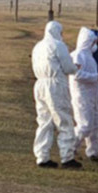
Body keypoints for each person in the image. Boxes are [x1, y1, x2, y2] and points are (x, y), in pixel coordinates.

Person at [32, 20, 80, 169]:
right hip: (55, 84)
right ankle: (67, 157)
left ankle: (42, 156)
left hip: (40, 84)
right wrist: (75, 68)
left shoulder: (37, 46)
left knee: (44, 121)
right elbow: (67, 67)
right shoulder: (58, 46)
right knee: (63, 119)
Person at [70, 27, 98, 161]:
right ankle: (70, 147)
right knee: (84, 125)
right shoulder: (78, 55)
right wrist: (96, 77)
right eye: (94, 42)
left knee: (95, 125)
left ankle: (93, 152)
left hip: (92, 95)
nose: (95, 45)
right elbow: (77, 75)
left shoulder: (89, 56)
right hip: (82, 96)